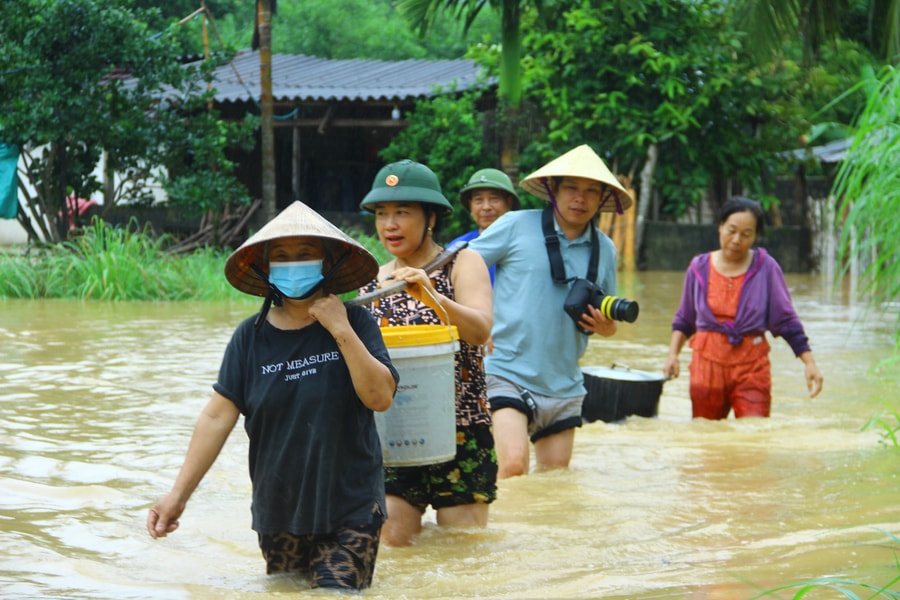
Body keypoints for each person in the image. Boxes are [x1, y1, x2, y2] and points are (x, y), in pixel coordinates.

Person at [146, 201, 399, 591]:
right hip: (279, 511)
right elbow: (217, 417)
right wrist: (177, 496)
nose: (292, 264)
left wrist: (339, 328)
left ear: (328, 261)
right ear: (265, 269)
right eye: (281, 256)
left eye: (305, 254)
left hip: (351, 507)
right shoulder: (250, 337)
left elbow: (380, 397)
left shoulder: (358, 323)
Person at [468, 144, 633, 479]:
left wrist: (606, 328)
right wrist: (478, 320)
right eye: (571, 187)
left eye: (591, 191)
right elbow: (463, 265)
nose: (580, 198)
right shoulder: (515, 225)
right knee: (512, 468)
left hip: (564, 384)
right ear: (553, 189)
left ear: (602, 199)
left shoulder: (606, 248)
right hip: (507, 372)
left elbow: (609, 319)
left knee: (553, 483)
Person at [357, 159, 496, 547]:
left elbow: (481, 328)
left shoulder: (462, 262)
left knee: (463, 550)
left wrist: (431, 297)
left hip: (463, 428)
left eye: (402, 212)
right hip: (393, 432)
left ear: (430, 216)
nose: (390, 225)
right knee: (395, 543)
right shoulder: (371, 280)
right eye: (382, 214)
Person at [662, 196, 823, 419]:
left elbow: (786, 321)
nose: (737, 240)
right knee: (707, 441)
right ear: (720, 227)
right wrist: (672, 355)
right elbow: (685, 319)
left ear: (755, 237)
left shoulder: (766, 268)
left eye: (746, 234)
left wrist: (810, 364)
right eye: (731, 230)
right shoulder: (699, 268)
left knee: (753, 438)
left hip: (752, 368)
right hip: (706, 367)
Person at [449, 168, 520, 285]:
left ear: (509, 202)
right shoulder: (458, 248)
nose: (486, 207)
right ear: (470, 205)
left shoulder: (525, 243)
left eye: (494, 198)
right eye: (478, 200)